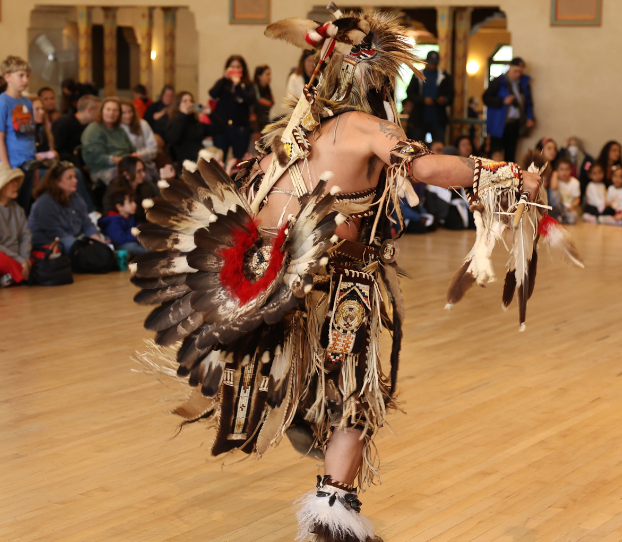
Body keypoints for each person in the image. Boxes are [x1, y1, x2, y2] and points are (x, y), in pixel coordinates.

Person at [130, 10, 548, 542]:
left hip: (272, 282)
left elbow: (250, 200)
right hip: (339, 283)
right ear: (380, 80)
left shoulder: (283, 136)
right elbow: (422, 169)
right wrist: (511, 175)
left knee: (323, 386)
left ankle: (306, 413)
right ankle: (332, 517)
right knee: (357, 399)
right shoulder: (366, 128)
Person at [27, 161, 104, 252]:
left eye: (75, 177)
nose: (75, 180)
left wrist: (97, 241)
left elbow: (86, 223)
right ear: (57, 182)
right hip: (51, 246)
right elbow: (58, 235)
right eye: (69, 178)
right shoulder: (45, 203)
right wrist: (84, 249)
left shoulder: (75, 196)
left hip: (73, 240)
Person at [483, 57, 534, 162]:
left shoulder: (523, 84)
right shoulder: (498, 81)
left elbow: (528, 103)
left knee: (510, 155)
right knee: (495, 155)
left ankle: (509, 177)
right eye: (516, 71)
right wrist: (502, 101)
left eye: (520, 72)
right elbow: (486, 98)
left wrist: (530, 116)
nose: (518, 74)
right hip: (499, 124)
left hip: (514, 124)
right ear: (510, 68)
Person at [0, 56, 35, 170]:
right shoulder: (1, 103)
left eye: (27, 76)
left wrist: (34, 164)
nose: (26, 80)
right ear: (7, 77)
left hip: (30, 162)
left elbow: (30, 135)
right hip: (13, 164)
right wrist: (6, 168)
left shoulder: (28, 103)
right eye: (21, 75)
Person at [208, 55, 255, 163]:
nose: (235, 70)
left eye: (238, 67)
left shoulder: (248, 85)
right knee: (219, 159)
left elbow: (251, 100)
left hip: (240, 129)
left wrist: (238, 85)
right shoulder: (223, 83)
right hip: (222, 128)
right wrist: (224, 78)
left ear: (243, 69)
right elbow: (212, 93)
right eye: (232, 67)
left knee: (239, 160)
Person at [81, 96, 136, 186]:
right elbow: (94, 157)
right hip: (103, 169)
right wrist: (117, 160)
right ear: (102, 111)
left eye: (115, 110)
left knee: (146, 174)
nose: (111, 113)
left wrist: (135, 155)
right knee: (129, 178)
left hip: (125, 166)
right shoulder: (94, 129)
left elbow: (132, 149)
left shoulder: (120, 130)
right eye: (108, 109)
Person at [405, 50, 454, 144]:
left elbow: (451, 95)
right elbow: (410, 93)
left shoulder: (444, 76)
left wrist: (444, 99)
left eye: (435, 63)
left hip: (438, 119)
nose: (433, 65)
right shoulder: (417, 75)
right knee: (417, 146)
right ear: (426, 61)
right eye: (431, 63)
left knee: (439, 146)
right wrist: (423, 100)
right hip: (419, 119)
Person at [102, 156, 159, 224]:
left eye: (143, 170)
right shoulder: (115, 189)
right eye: (139, 171)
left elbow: (160, 198)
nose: (143, 174)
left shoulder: (145, 185)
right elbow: (109, 214)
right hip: (125, 226)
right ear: (126, 174)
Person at [52, 94, 99, 164]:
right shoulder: (64, 122)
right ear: (90, 110)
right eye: (98, 110)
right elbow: (57, 150)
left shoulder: (88, 126)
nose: (100, 114)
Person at [163, 91, 208, 164]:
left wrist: (210, 113)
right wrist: (183, 114)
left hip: (200, 159)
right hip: (185, 162)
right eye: (185, 101)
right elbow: (173, 139)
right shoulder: (174, 121)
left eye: (191, 101)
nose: (189, 103)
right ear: (178, 105)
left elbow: (218, 130)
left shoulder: (194, 121)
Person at [97, 189, 146, 256]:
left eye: (134, 201)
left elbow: (134, 225)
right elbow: (120, 239)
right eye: (130, 202)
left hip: (130, 239)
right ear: (119, 207)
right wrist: (135, 234)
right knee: (131, 246)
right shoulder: (113, 220)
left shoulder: (129, 216)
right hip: (118, 245)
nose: (135, 204)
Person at [119, 101, 157, 169]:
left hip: (143, 164)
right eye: (123, 113)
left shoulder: (142, 124)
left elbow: (153, 148)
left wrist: (139, 155)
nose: (128, 115)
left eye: (130, 111)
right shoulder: (115, 128)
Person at [549, 158, 580, 224]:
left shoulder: (575, 182)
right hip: (557, 206)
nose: (564, 172)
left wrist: (572, 206)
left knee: (573, 218)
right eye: (561, 169)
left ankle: (561, 218)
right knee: (554, 193)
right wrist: (554, 175)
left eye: (567, 169)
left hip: (568, 208)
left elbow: (577, 199)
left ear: (571, 170)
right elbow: (553, 188)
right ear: (557, 170)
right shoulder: (556, 180)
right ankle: (560, 217)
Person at [251, 65, 274, 131]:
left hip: (265, 125)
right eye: (267, 74)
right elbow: (252, 110)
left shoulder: (267, 89)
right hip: (255, 127)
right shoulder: (254, 89)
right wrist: (255, 130)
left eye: (270, 74)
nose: (270, 77)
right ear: (259, 76)